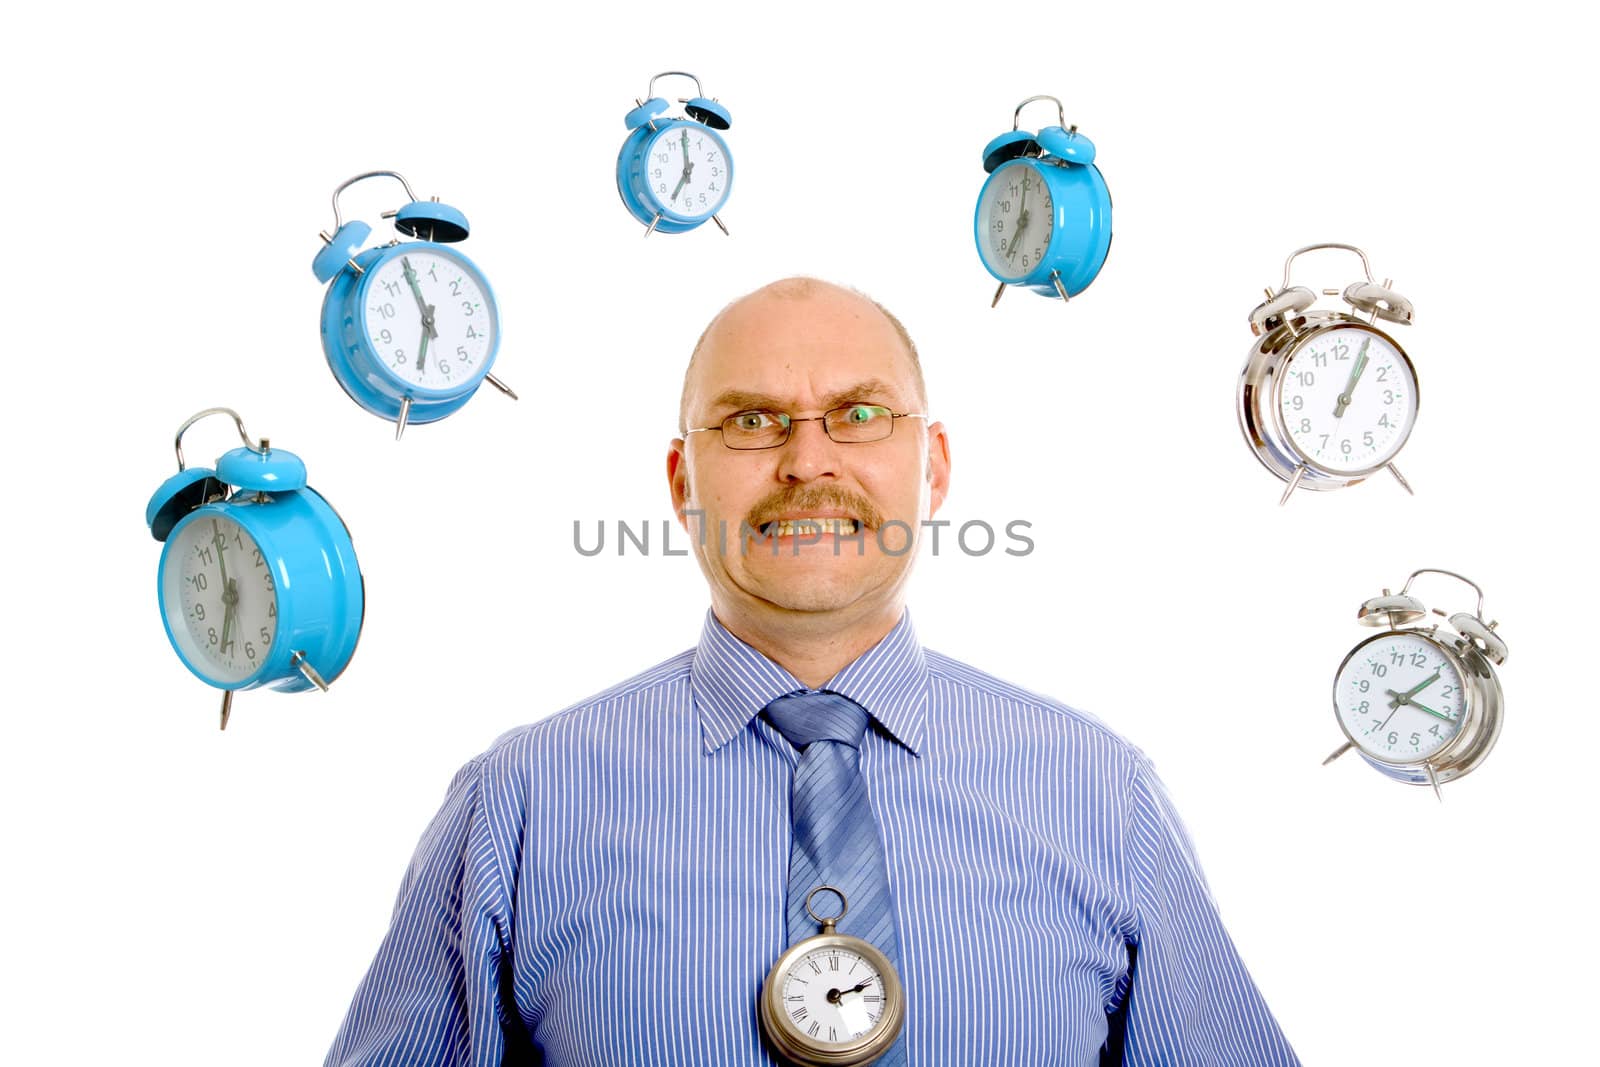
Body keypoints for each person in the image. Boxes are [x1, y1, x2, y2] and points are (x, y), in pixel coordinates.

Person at [325, 278, 1300, 1065]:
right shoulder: (521, 803)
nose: (806, 460)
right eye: (750, 421)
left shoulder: (1103, 794)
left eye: (860, 413)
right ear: (680, 483)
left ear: (935, 467)